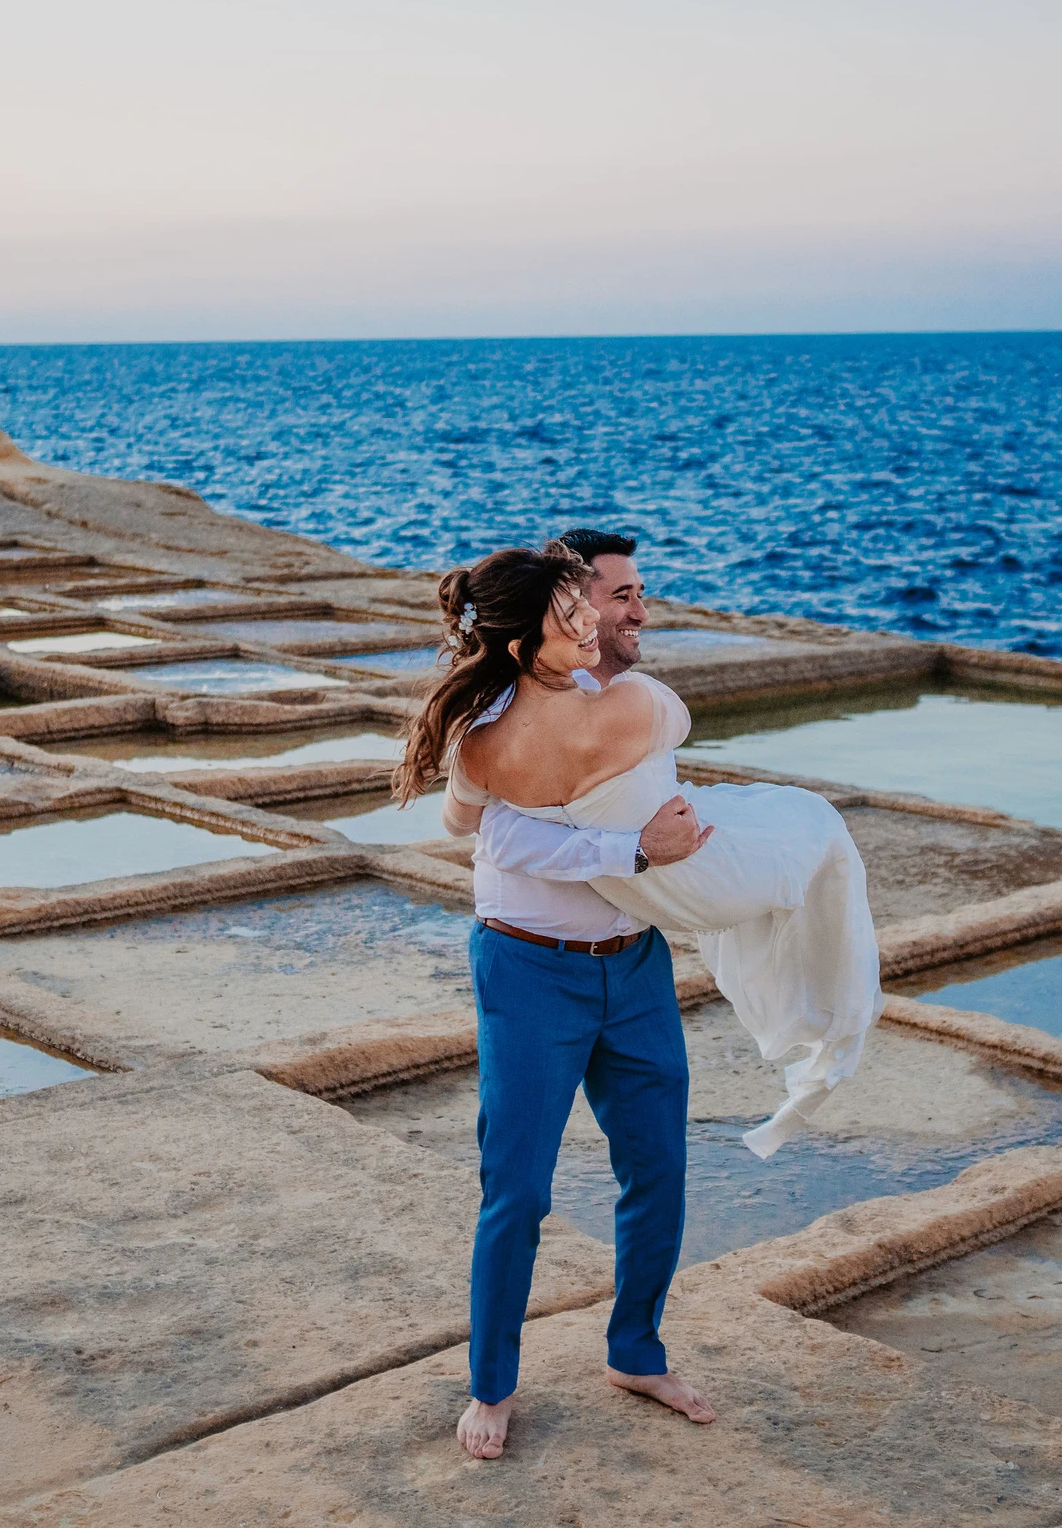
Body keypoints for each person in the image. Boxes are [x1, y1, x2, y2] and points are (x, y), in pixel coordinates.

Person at [394, 538, 882, 1461]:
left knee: (658, 1167)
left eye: (608, 605)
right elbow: (489, 841)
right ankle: (492, 1384)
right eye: (584, 608)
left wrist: (634, 840)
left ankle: (636, 1350)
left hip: (634, 966)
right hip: (530, 971)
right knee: (518, 1188)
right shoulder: (490, 730)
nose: (604, 619)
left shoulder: (607, 699)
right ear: (528, 631)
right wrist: (628, 850)